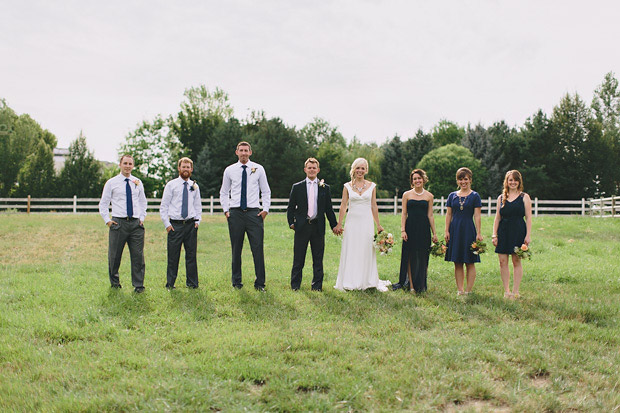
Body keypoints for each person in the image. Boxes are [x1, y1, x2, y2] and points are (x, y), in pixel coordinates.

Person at [219, 141, 271, 292]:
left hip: (254, 214)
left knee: (257, 248)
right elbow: (224, 192)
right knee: (236, 249)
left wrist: (265, 209)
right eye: (241, 150)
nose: (243, 153)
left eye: (246, 150)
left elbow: (266, 191)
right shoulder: (229, 170)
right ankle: (236, 282)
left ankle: (260, 283)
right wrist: (226, 210)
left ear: (250, 152)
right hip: (235, 213)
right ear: (236, 152)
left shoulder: (259, 169)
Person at [333, 158, 391, 292]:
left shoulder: (372, 186)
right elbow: (343, 206)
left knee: (366, 249)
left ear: (366, 170)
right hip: (352, 222)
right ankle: (350, 280)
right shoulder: (347, 186)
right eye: (357, 168)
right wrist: (339, 223)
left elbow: (374, 206)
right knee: (352, 249)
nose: (360, 171)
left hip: (366, 222)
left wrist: (378, 225)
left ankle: (367, 280)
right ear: (354, 169)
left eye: (362, 168)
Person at [287, 158, 340, 291]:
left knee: (318, 258)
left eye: (314, 168)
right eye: (309, 168)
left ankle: (317, 286)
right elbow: (291, 207)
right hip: (302, 226)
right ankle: (295, 285)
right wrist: (291, 223)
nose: (311, 170)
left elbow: (329, 208)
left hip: (318, 226)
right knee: (298, 258)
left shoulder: (324, 188)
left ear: (318, 170)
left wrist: (334, 225)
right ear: (305, 169)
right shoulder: (297, 187)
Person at [98, 154, 148, 293]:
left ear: (133, 166)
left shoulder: (137, 182)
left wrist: (142, 217)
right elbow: (103, 204)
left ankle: (138, 286)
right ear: (120, 165)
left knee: (138, 256)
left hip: (136, 225)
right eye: (125, 163)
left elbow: (143, 202)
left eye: (130, 164)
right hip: (118, 223)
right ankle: (115, 283)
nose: (127, 166)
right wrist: (108, 221)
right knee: (114, 255)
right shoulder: (111, 183)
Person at [160, 157, 202, 290]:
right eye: (183, 167)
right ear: (179, 168)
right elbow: (164, 206)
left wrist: (197, 221)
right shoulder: (171, 185)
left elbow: (197, 205)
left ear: (191, 169)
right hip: (175, 225)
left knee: (191, 255)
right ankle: (170, 284)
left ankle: (192, 283)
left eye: (188, 167)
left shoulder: (194, 186)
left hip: (190, 225)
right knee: (173, 256)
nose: (185, 169)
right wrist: (167, 224)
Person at [394, 169, 438, 293]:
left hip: (424, 228)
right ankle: (411, 285)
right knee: (410, 256)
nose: (417, 180)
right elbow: (403, 213)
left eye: (419, 178)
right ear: (412, 181)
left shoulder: (429, 196)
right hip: (410, 227)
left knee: (423, 256)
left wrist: (434, 233)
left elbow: (430, 215)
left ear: (423, 179)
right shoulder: (406, 195)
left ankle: (421, 284)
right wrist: (403, 230)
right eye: (415, 179)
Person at [492, 170, 532, 299]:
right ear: (506, 182)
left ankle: (515, 292)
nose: (513, 182)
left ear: (519, 182)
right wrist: (494, 235)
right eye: (510, 180)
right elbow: (497, 218)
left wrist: (528, 235)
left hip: (518, 230)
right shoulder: (501, 198)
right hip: (503, 231)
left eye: (515, 180)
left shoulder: (524, 197)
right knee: (502, 262)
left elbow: (529, 218)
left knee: (516, 261)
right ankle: (506, 291)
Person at [444, 167, 483, 296]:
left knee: (470, 261)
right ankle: (460, 290)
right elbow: (448, 215)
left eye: (465, 179)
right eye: (460, 179)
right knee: (457, 261)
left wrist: (479, 232)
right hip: (455, 229)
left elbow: (477, 215)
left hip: (468, 230)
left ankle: (468, 290)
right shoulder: (452, 196)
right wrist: (446, 231)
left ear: (470, 180)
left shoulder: (475, 196)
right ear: (457, 181)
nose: (463, 182)